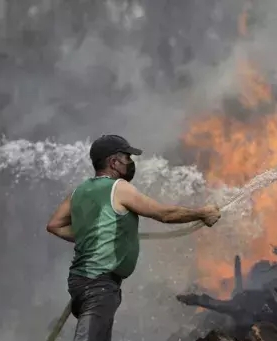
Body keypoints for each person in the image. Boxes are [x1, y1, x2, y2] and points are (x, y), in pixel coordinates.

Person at [46, 134, 222, 341]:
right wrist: (202, 213)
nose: (131, 163)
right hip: (98, 285)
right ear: (113, 162)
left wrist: (92, 235)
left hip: (80, 282)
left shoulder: (79, 191)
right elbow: (164, 214)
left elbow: (54, 225)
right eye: (127, 158)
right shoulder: (119, 188)